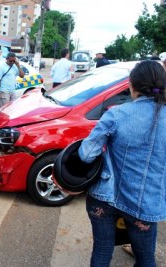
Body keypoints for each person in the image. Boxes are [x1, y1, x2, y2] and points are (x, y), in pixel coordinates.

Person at [78, 60, 166, 267]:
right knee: (146, 259)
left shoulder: (117, 114)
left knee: (101, 251)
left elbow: (86, 154)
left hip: (105, 198)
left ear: (132, 85)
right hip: (146, 203)